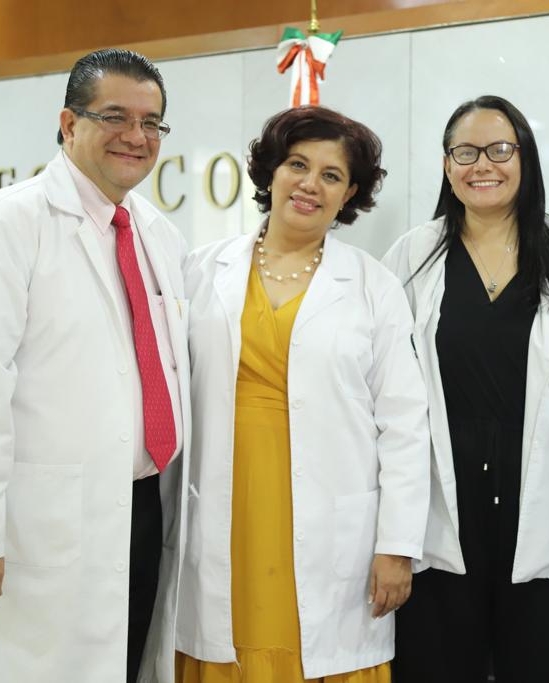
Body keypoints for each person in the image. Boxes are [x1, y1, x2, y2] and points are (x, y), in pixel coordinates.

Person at [0, 48, 190, 683]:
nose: (136, 136)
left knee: (127, 663)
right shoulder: (8, 223)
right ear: (69, 124)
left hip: (143, 508)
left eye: (151, 122)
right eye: (115, 116)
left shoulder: (158, 234)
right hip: (40, 522)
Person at [175, 106, 430, 682]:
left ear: (350, 194)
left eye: (331, 175)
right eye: (297, 164)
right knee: (222, 642)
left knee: (317, 648)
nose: (310, 184)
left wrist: (396, 546)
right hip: (225, 510)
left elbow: (406, 426)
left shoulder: (373, 286)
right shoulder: (201, 270)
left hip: (330, 524)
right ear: (272, 172)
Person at [382, 95, 549, 681]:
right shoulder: (412, 255)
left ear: (525, 158)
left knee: (544, 662)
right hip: (442, 501)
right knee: (436, 663)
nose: (483, 164)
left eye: (500, 149)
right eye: (466, 152)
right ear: (446, 164)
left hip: (544, 499)